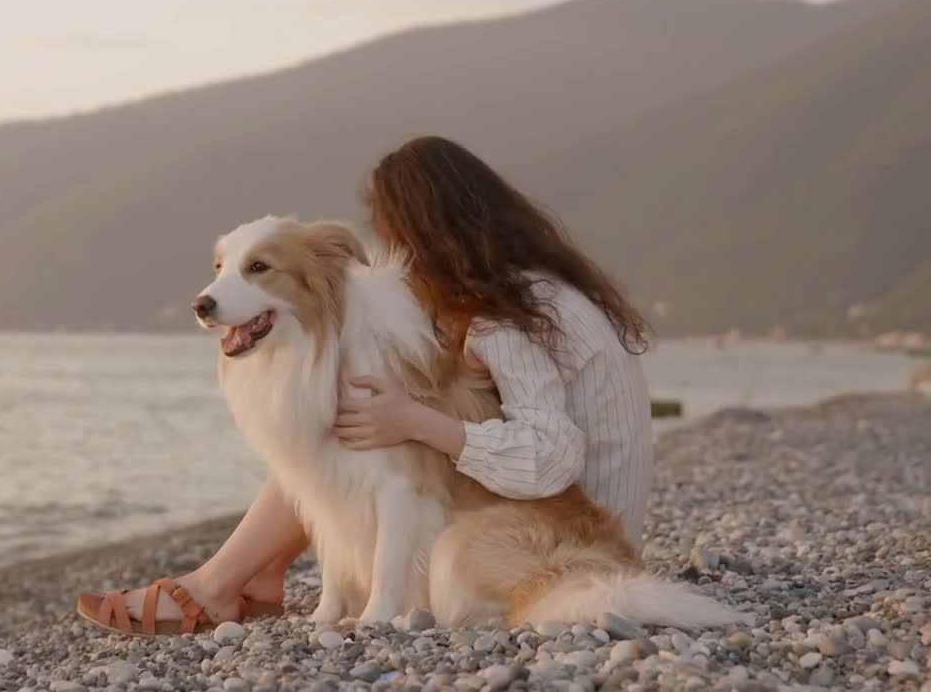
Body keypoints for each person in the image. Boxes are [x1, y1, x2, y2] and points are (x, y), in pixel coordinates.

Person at [78, 135, 654, 634]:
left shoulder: (503, 313)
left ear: (422, 231)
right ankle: (242, 575)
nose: (391, 256)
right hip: (569, 527)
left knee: (356, 421)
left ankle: (221, 582)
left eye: (392, 232)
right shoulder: (529, 290)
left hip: (560, 540)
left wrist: (418, 421)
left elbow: (552, 462)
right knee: (343, 416)